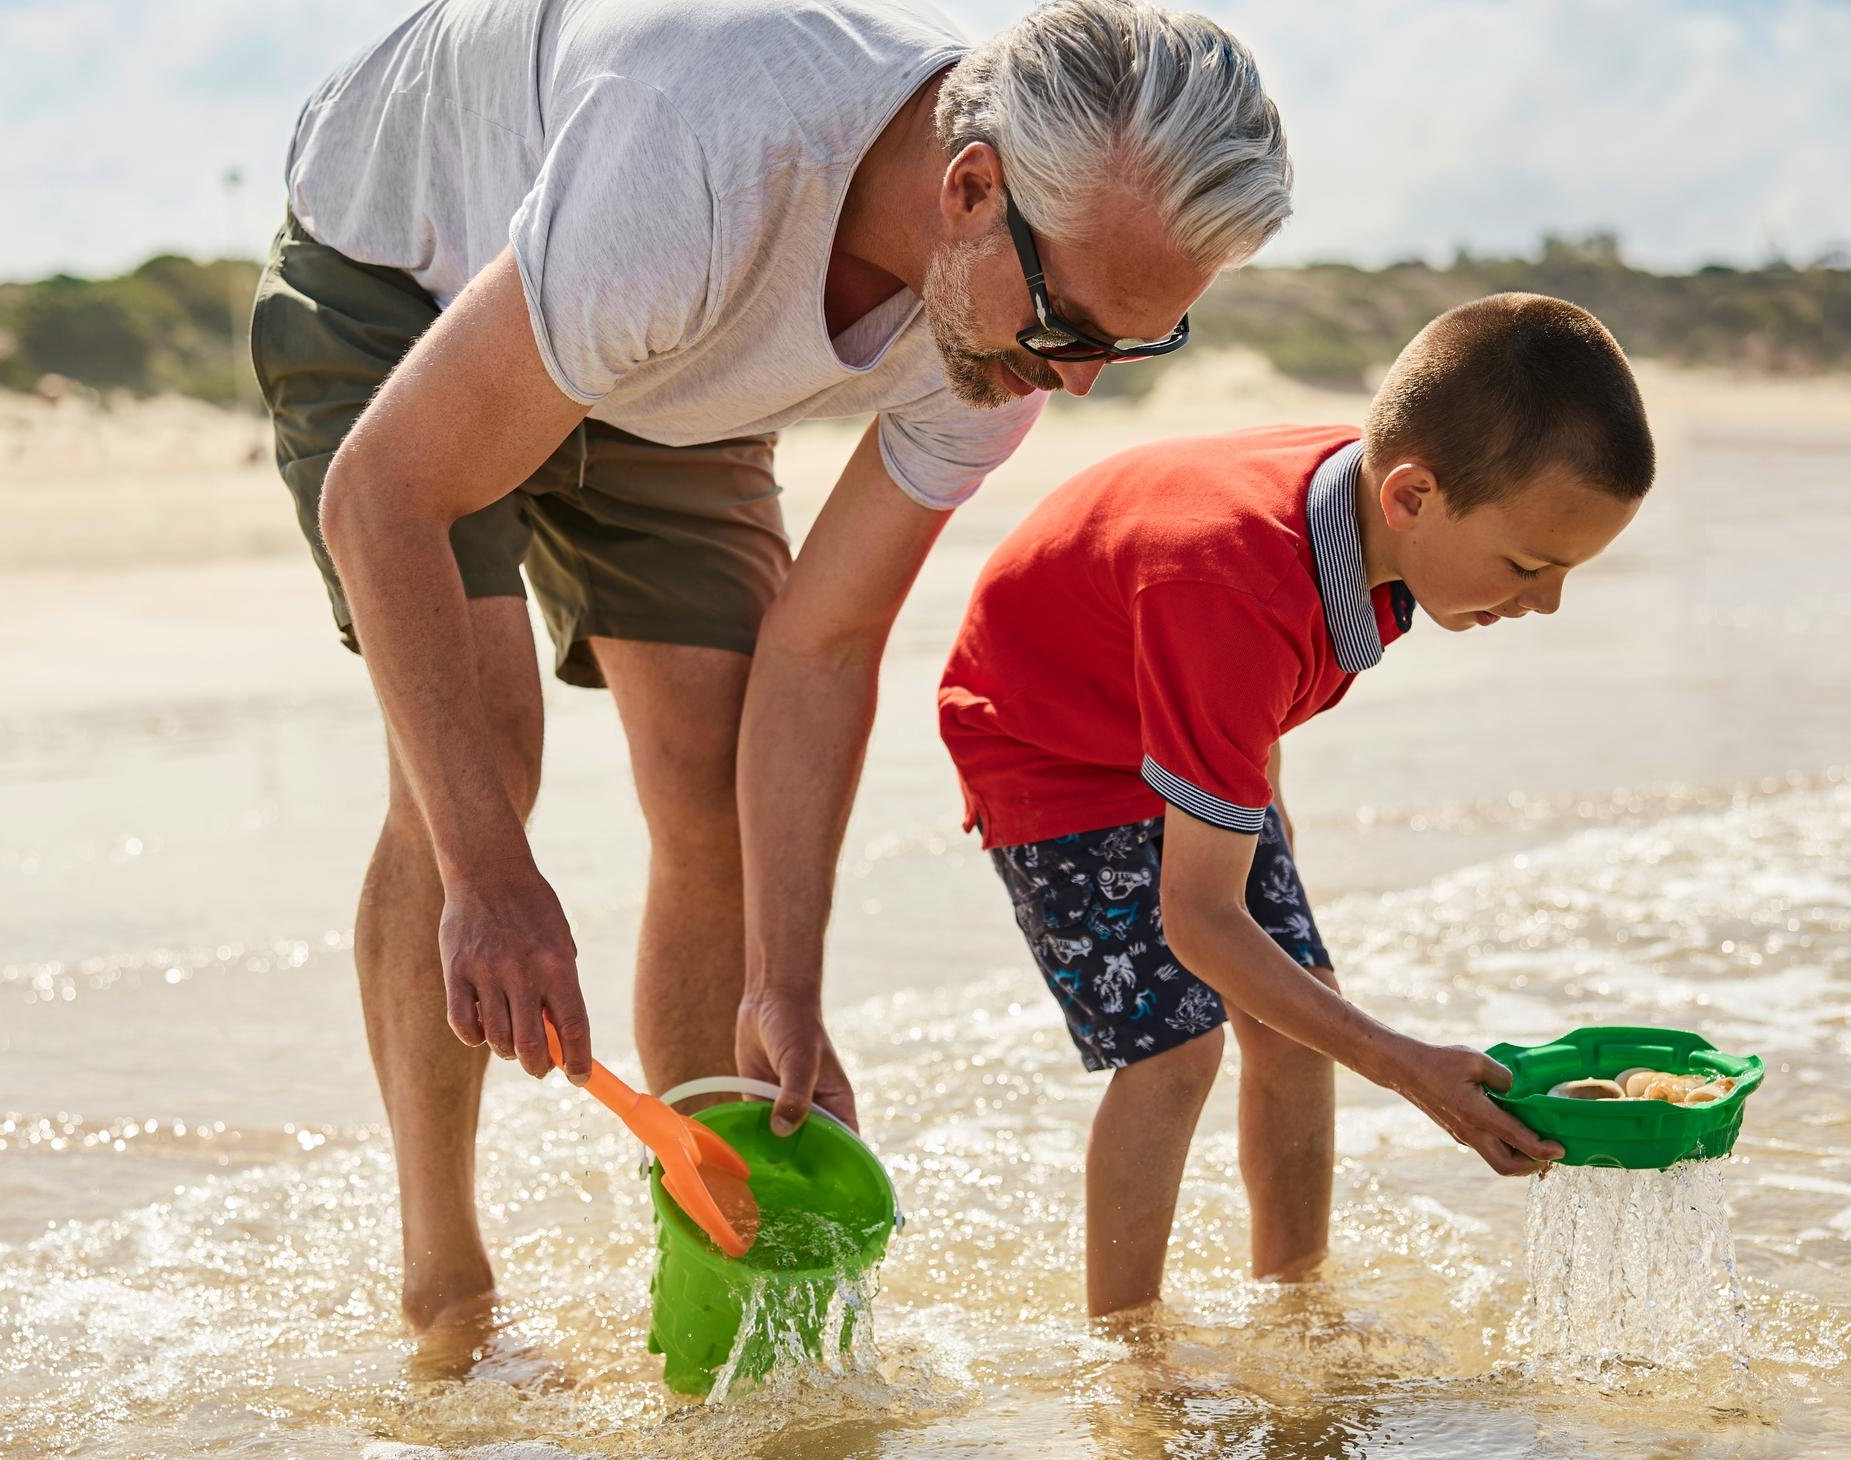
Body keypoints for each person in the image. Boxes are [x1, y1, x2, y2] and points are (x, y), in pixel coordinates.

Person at [249, 0, 1294, 1330]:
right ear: (971, 189)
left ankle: (713, 1257)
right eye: (1077, 330)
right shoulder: (697, 154)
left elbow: (826, 640)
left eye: (1137, 343)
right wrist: (487, 879)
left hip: (671, 357)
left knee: (713, 775)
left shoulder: (998, 331)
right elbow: (380, 497)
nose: (1078, 384)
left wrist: (783, 988)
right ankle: (445, 1283)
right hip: (411, 275)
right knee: (482, 763)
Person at [935, 294, 1656, 1317]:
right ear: (1412, 494)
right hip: (1043, 733)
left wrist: (1259, 817)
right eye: (1530, 565)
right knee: (1175, 1047)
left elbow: (1245, 694)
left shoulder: (1387, 524)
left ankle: (1295, 1301)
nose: (1544, 603)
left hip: (1166, 680)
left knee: (1295, 1004)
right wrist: (1408, 1068)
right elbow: (1198, 915)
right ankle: (1129, 1352)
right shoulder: (1233, 589)